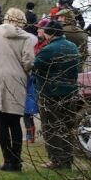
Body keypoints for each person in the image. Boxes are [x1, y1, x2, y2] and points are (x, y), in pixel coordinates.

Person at [0, 8, 37, 172]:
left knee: (1, 124)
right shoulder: (25, 38)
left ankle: (7, 160)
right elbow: (28, 62)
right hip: (16, 81)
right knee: (15, 123)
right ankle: (16, 161)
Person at [33, 20, 81, 170]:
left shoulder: (48, 49)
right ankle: (67, 159)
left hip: (50, 93)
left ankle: (56, 160)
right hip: (71, 92)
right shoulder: (73, 47)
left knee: (51, 127)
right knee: (67, 126)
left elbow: (36, 66)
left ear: (50, 33)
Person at [24, 18, 50, 143]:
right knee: (26, 109)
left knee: (44, 111)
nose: (38, 30)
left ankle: (48, 136)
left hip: (42, 80)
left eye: (40, 28)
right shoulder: (35, 43)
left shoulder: (48, 45)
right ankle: (30, 134)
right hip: (31, 79)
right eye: (38, 28)